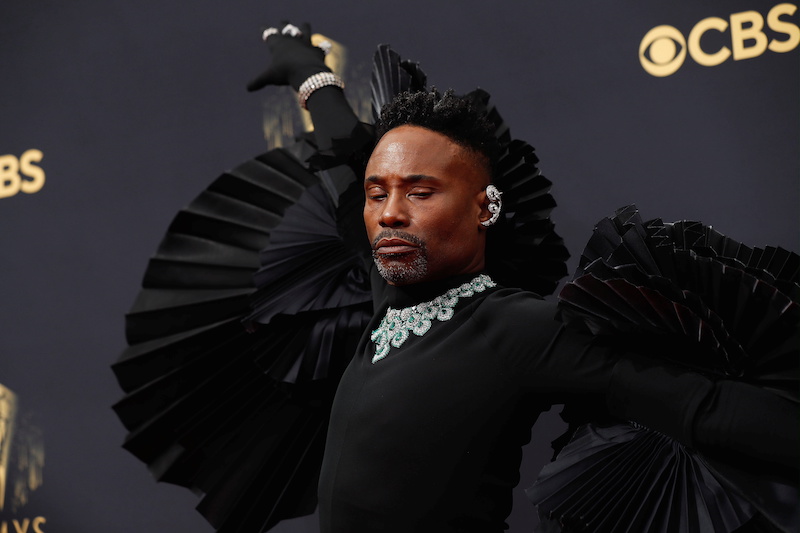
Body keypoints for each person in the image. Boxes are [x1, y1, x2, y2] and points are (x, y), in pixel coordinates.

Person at [114, 23, 798, 533]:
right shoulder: (389, 290)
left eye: (419, 191)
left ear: (485, 206)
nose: (388, 213)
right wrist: (309, 70)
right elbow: (347, 153)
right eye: (378, 193)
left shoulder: (521, 326)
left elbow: (699, 405)